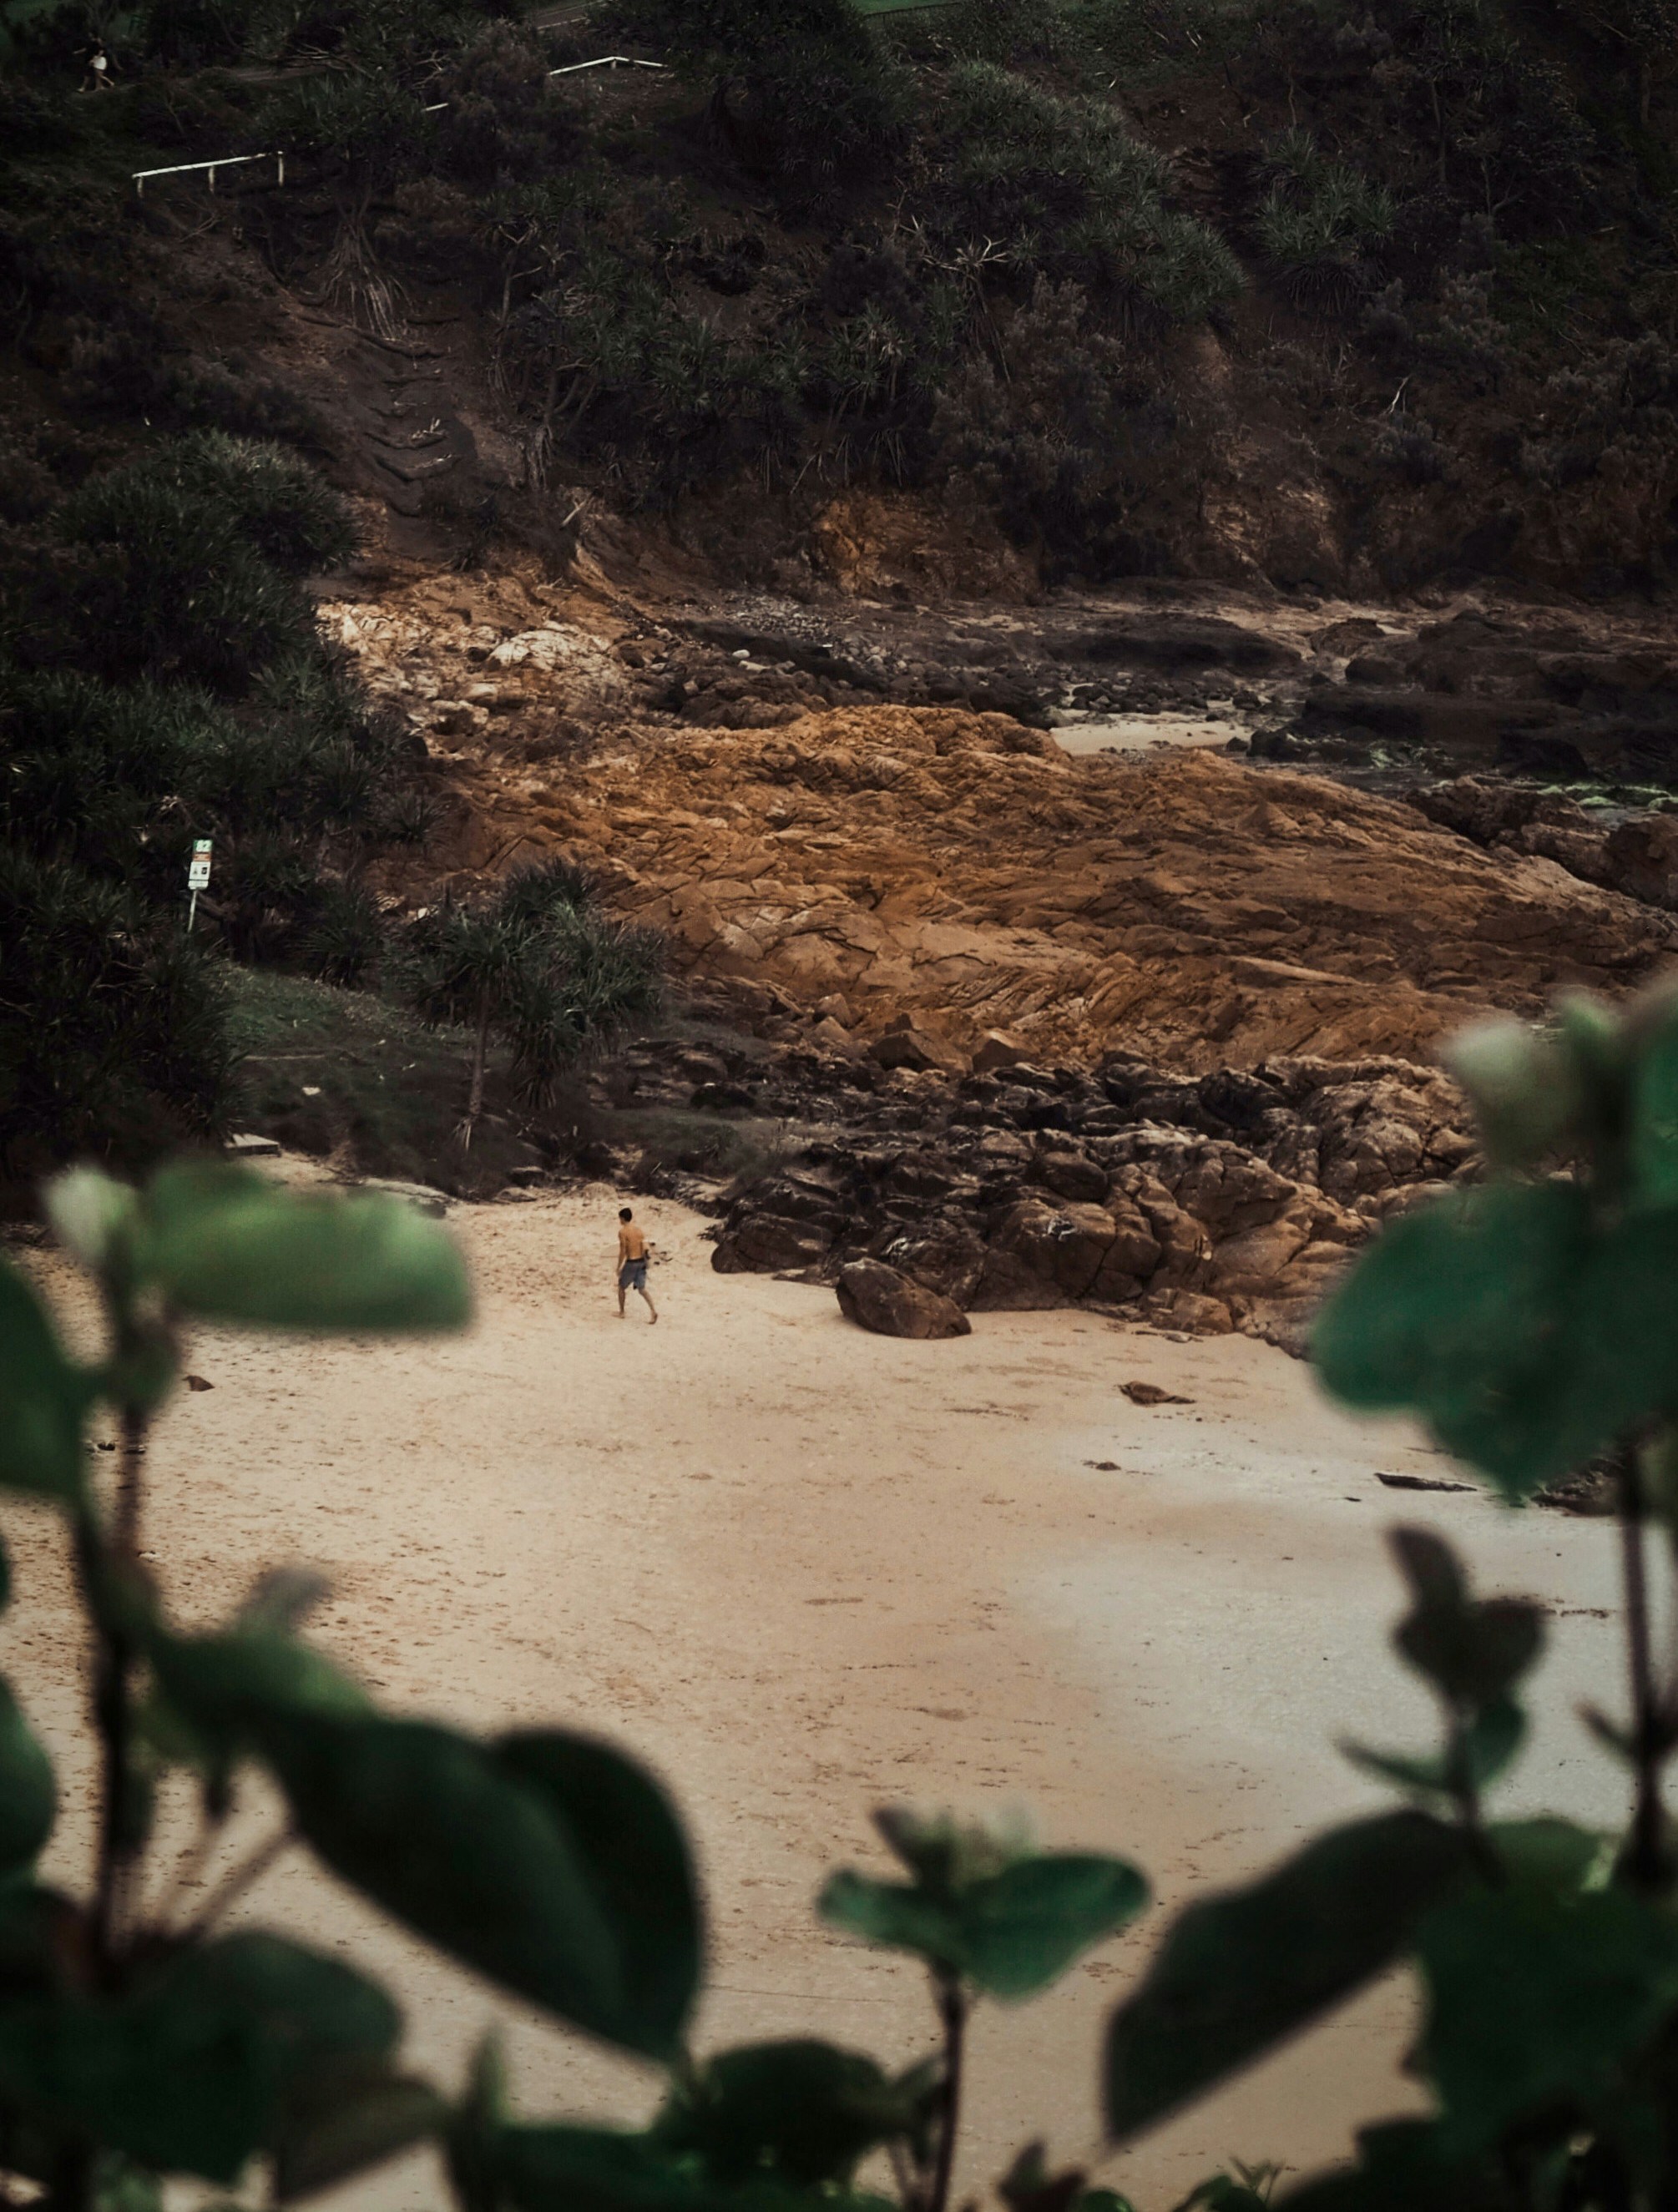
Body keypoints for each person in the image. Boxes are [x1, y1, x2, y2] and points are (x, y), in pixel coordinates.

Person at [615, 1206, 657, 1324]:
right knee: (642, 1289)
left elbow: (623, 1250)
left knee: (621, 1287)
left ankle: (622, 1312)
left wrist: (619, 1267)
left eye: (620, 1218)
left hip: (631, 1263)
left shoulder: (623, 1232)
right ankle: (653, 1311)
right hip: (641, 1262)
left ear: (622, 1218)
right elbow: (644, 1247)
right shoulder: (639, 1230)